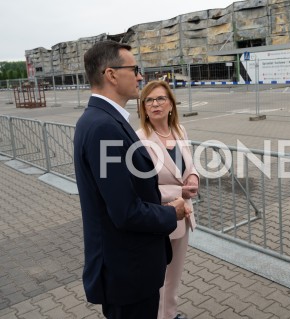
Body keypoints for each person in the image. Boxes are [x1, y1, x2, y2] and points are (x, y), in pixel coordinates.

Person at [74, 40, 190, 319]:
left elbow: (120, 192)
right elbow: (124, 211)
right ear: (111, 75)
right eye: (135, 69)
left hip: (126, 269)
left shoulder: (102, 120)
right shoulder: (104, 127)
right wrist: (169, 213)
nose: (140, 76)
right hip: (128, 272)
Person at [136, 80, 199, 319]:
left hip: (183, 216)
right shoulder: (139, 140)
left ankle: (170, 314)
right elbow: (143, 188)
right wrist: (178, 194)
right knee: (158, 278)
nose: (155, 104)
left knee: (174, 274)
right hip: (158, 217)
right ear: (143, 108)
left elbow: (189, 165)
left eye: (160, 99)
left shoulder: (179, 131)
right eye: (149, 100)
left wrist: (193, 177)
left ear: (171, 104)